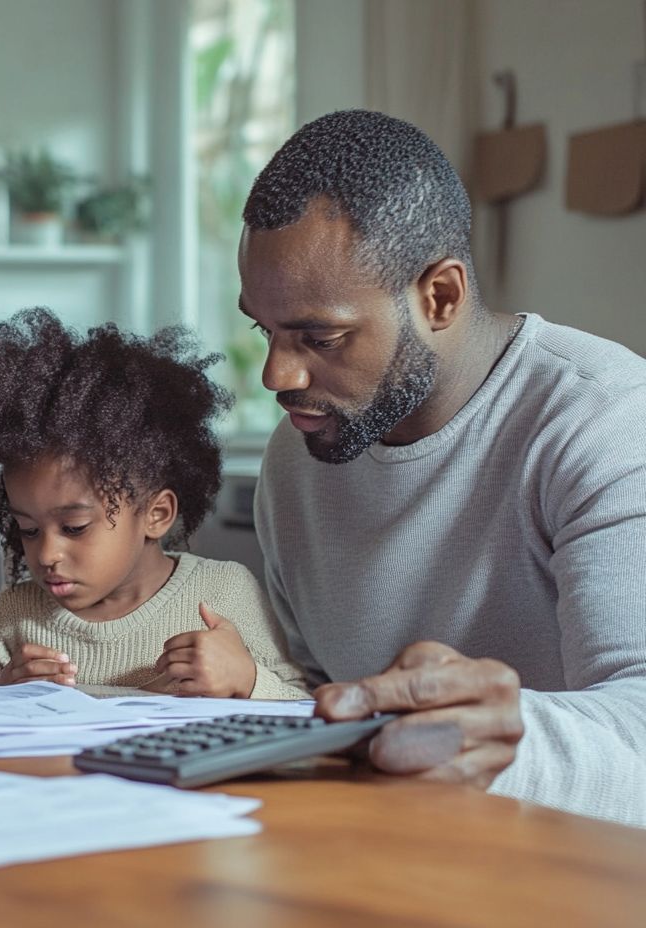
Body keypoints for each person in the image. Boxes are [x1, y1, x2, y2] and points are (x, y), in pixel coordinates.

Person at [240, 109, 646, 826]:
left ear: (441, 297)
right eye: (263, 330)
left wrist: (507, 740)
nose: (277, 374)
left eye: (320, 336)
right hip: (387, 860)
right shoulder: (299, 456)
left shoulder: (605, 423)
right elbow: (311, 695)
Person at [0, 308, 308, 698]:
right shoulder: (16, 615)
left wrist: (247, 680)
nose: (47, 553)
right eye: (29, 530)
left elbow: (301, 709)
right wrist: (1, 692)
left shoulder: (223, 593)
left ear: (156, 515)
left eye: (74, 527)